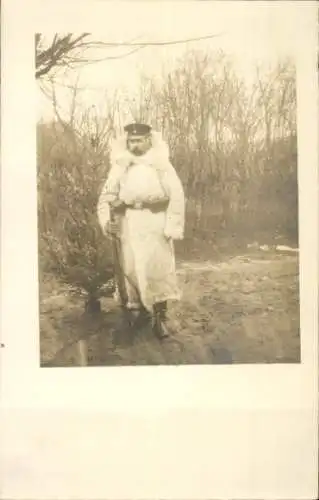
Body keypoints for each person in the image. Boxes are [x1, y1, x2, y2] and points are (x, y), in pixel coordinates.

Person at [97, 123, 185, 339]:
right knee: (132, 266)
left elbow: (177, 195)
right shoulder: (120, 166)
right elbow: (106, 197)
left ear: (149, 140)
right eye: (131, 141)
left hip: (155, 221)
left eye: (139, 140)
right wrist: (107, 221)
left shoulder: (161, 164)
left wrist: (172, 226)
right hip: (129, 222)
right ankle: (137, 312)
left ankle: (159, 317)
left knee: (157, 267)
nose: (135, 145)